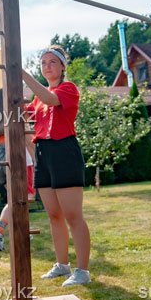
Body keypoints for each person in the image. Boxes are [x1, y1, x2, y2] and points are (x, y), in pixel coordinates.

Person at [21, 45, 91, 286]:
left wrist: (21, 73)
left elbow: (50, 99)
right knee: (53, 214)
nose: (47, 66)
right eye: (43, 63)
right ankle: (62, 265)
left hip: (64, 151)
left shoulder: (68, 89)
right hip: (43, 152)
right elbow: (24, 114)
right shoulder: (37, 100)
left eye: (52, 62)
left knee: (73, 215)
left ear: (63, 66)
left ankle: (82, 271)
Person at [0, 89, 36, 251]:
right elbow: (27, 138)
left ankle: (23, 229)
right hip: (17, 155)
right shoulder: (18, 113)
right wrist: (36, 157)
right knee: (25, 196)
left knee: (14, 198)